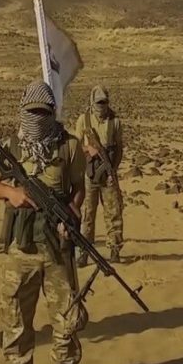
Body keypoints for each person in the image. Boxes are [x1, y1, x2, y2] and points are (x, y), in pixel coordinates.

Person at [0, 81, 87, 364]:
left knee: (65, 313)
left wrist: (72, 213)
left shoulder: (69, 146)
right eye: (32, 112)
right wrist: (11, 193)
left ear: (53, 112)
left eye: (43, 112)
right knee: (15, 310)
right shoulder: (12, 146)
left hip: (57, 246)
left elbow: (79, 187)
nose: (37, 118)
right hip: (22, 246)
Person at [74, 85, 124, 265]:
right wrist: (88, 149)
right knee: (88, 214)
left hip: (108, 174)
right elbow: (75, 146)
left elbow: (119, 148)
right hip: (90, 174)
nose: (101, 106)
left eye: (104, 102)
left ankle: (115, 249)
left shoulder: (115, 122)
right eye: (98, 102)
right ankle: (85, 251)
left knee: (113, 213)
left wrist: (113, 170)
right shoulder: (84, 120)